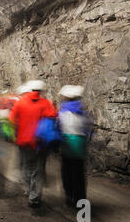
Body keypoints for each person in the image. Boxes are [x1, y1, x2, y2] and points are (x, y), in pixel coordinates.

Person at [9, 80, 57, 208]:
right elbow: (53, 118)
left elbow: (12, 120)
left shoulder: (20, 103)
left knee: (26, 167)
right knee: (38, 170)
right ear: (41, 91)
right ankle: (34, 197)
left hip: (23, 141)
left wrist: (15, 134)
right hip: (39, 142)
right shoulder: (46, 103)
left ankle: (28, 189)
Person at [58, 85, 90, 207]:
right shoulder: (83, 112)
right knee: (79, 175)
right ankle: (80, 200)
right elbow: (88, 130)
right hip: (80, 147)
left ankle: (69, 196)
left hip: (67, 146)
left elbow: (58, 128)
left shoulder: (62, 112)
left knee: (67, 172)